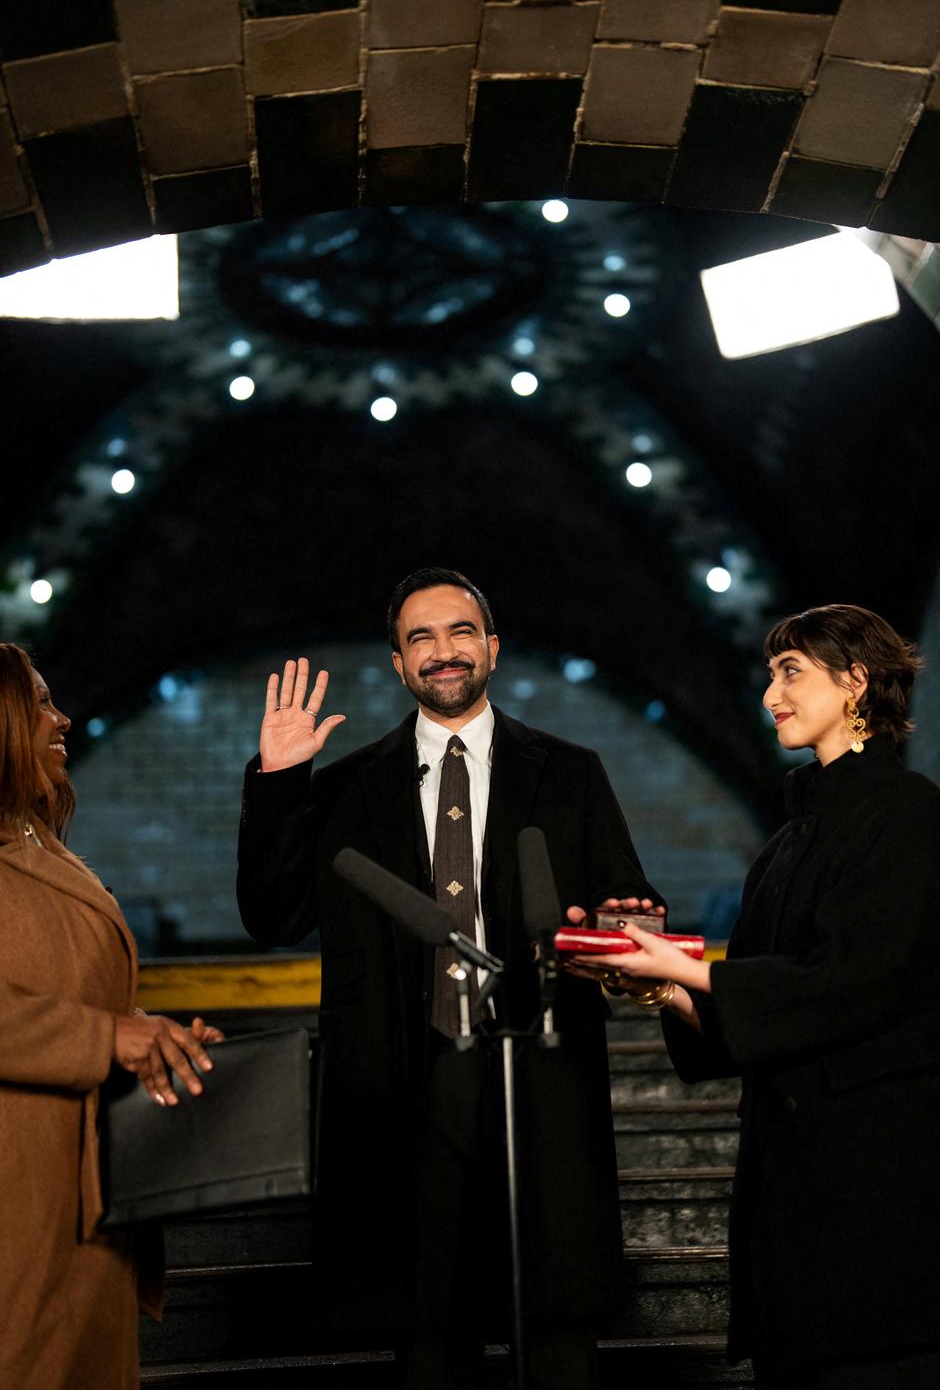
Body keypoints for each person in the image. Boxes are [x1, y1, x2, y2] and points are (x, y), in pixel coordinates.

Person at [237, 566, 665, 1390]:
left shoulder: (571, 773)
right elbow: (273, 915)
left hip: (539, 1083)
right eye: (421, 638)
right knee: (427, 1341)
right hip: (403, 1095)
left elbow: (625, 902)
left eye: (461, 631)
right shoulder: (347, 788)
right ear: (399, 664)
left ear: (492, 648)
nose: (443, 651)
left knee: (558, 1338)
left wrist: (624, 924)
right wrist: (281, 779)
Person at [572, 604, 940, 1389]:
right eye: (771, 674)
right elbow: (758, 1013)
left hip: (879, 1195)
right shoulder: (781, 848)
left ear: (856, 681)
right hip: (790, 1207)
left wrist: (692, 971)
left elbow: (857, 982)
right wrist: (659, 983)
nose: (771, 694)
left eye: (791, 672)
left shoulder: (911, 814)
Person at [0, 643, 222, 1390]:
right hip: (21, 1207)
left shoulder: (42, 848)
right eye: (39, 702)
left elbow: (67, 987)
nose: (61, 718)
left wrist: (156, 1038)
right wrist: (109, 1036)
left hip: (87, 1201)